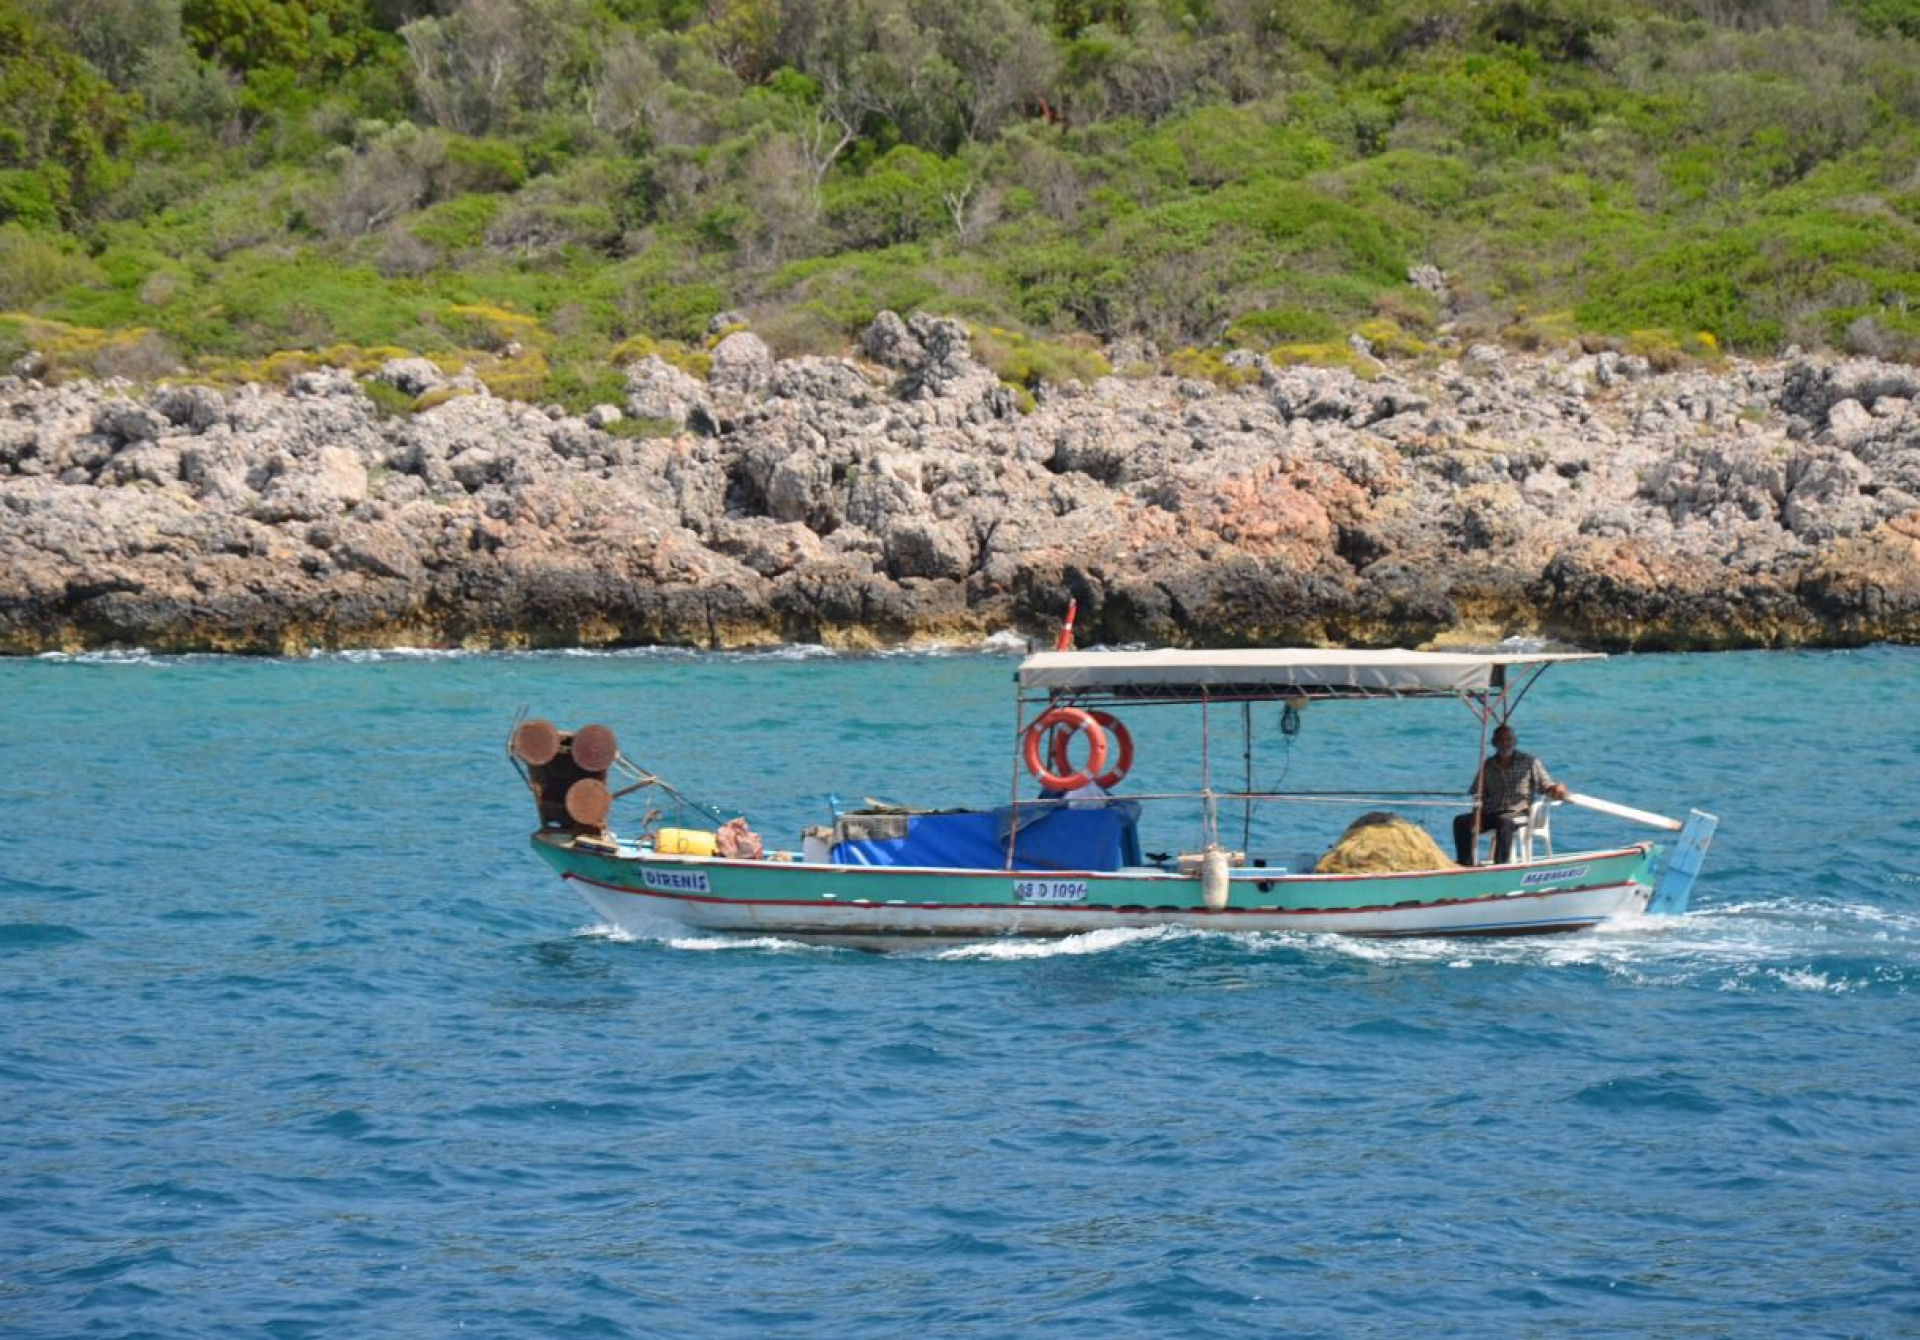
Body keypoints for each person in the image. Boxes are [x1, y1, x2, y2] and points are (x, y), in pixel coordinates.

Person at [1454, 723, 1569, 866]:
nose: (1505, 743)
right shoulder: (1488, 765)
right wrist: (1477, 814)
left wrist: (1558, 788)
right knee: (1460, 821)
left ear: (1515, 741)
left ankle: (1500, 866)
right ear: (1494, 743)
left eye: (1508, 739)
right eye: (1501, 740)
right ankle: (1466, 864)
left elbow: (1546, 786)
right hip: (1492, 813)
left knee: (1504, 821)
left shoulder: (1529, 762)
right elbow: (1479, 794)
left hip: (1520, 814)